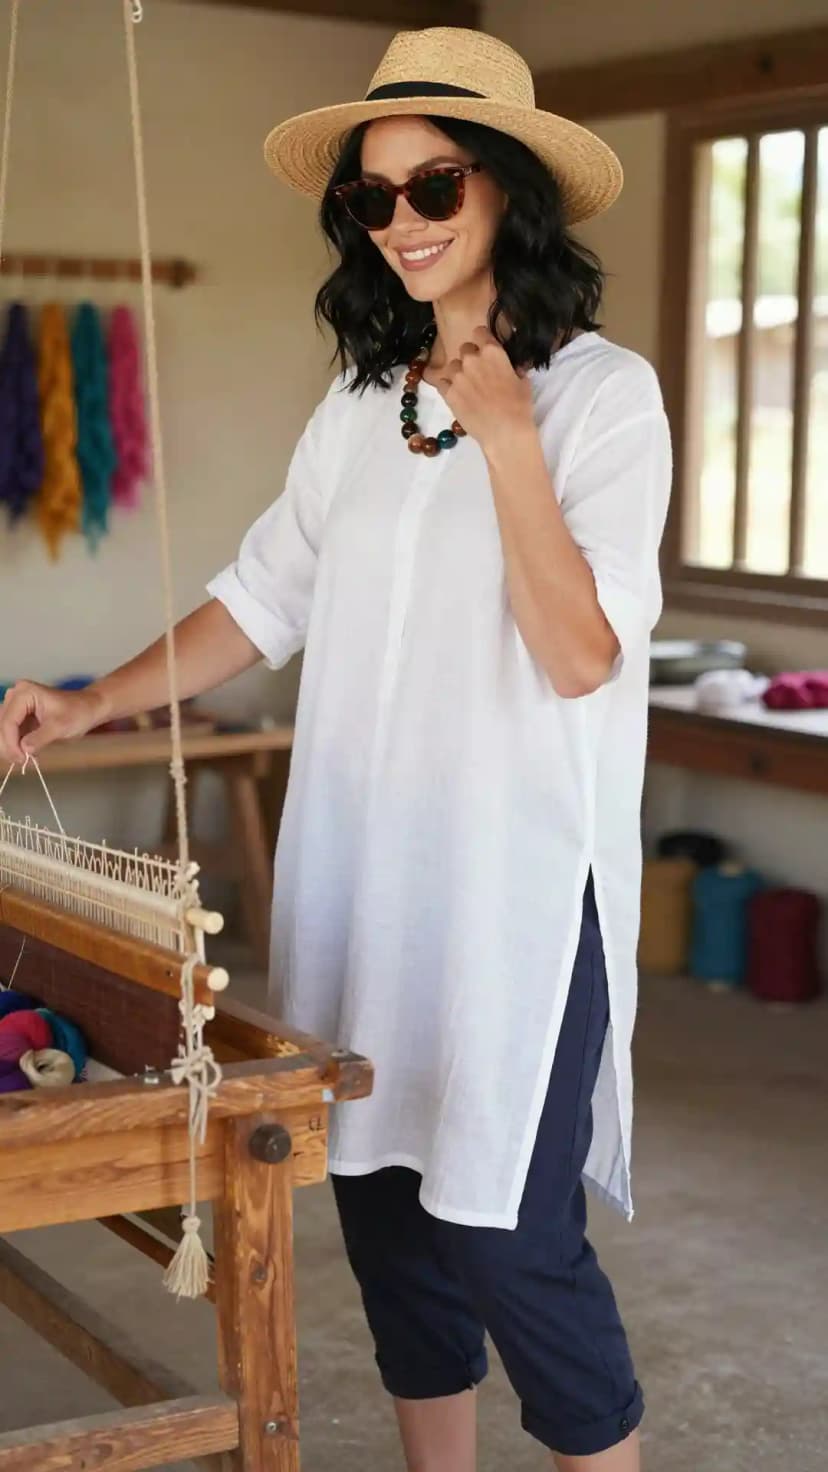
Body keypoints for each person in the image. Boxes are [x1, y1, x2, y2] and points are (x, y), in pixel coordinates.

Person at [0, 27, 671, 1472]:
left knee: (511, 1251)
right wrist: (93, 699)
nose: (405, 224)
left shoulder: (607, 401)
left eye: (436, 186)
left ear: (511, 195)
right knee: (389, 1234)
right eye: (373, 200)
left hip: (518, 902)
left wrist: (506, 437)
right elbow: (260, 601)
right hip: (364, 884)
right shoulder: (363, 402)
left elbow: (580, 656)